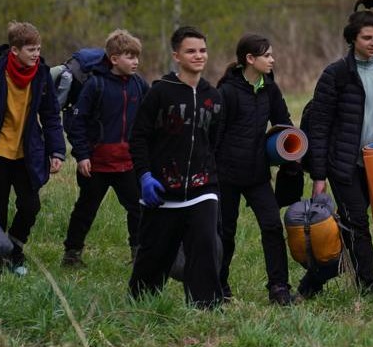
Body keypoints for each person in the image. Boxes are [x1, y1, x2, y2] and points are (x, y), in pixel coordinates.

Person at [303, 0, 373, 299]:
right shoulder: (335, 74)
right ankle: (370, 284)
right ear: (353, 39)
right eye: (368, 37)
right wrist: (318, 175)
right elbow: (319, 126)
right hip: (344, 164)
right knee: (357, 224)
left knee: (348, 228)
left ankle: (312, 282)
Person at [128, 26, 225, 308]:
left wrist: (213, 178)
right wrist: (145, 175)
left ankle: (206, 308)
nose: (198, 56)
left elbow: (214, 143)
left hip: (202, 190)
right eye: (191, 51)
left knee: (205, 248)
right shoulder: (160, 92)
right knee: (153, 256)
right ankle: (141, 304)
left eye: (203, 50)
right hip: (162, 191)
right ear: (176, 56)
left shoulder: (213, 97)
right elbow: (139, 138)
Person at [0, 21, 66, 275]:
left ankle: (15, 250)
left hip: (27, 155)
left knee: (31, 207)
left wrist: (57, 151)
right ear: (14, 50)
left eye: (39, 49)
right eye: (31, 49)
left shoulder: (41, 75)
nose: (36, 54)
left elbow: (51, 115)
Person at [215, 33, 302, 305]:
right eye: (267, 55)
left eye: (271, 55)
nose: (272, 59)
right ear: (249, 59)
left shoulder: (270, 89)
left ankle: (279, 289)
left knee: (272, 227)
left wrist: (293, 152)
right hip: (226, 175)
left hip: (257, 175)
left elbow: (284, 123)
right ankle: (218, 286)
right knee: (224, 233)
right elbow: (214, 136)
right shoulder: (226, 92)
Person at [61, 29, 150, 268]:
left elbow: (151, 118)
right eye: (129, 57)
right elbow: (77, 123)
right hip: (95, 164)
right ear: (113, 59)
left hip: (128, 163)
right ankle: (72, 253)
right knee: (86, 209)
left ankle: (138, 253)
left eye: (137, 56)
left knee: (138, 209)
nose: (136, 62)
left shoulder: (139, 85)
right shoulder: (95, 85)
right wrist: (81, 156)